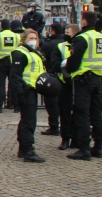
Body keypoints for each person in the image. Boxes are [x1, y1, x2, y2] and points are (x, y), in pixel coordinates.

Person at [65, 11, 102, 161]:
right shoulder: (101, 37)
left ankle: (84, 148)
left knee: (82, 112)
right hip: (97, 78)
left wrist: (67, 68)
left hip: (84, 79)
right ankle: (98, 146)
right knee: (96, 112)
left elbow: (74, 61)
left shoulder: (82, 38)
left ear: (83, 22)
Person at [10, 28, 47, 163]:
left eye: (35, 38)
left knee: (26, 120)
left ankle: (23, 148)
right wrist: (18, 93)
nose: (33, 41)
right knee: (29, 121)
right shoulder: (20, 53)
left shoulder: (35, 53)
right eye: (30, 38)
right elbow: (15, 76)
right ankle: (28, 150)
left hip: (32, 89)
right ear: (24, 40)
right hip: (25, 90)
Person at [50, 23, 79, 150]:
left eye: (70, 31)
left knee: (79, 112)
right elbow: (55, 64)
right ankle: (65, 138)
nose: (67, 33)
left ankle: (77, 138)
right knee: (65, 112)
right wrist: (65, 70)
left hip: (80, 82)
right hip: (65, 82)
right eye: (66, 31)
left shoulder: (81, 44)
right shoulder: (60, 47)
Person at [39, 23, 66, 135]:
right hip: (66, 76)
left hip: (52, 76)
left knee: (51, 102)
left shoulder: (49, 44)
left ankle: (54, 126)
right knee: (64, 102)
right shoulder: (67, 43)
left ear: (53, 31)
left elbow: (42, 56)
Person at [0, 19, 19, 113]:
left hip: (1, 62)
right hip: (13, 62)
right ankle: (15, 105)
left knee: (1, 85)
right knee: (14, 84)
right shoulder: (16, 36)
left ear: (1, 26)